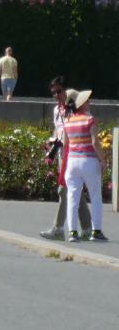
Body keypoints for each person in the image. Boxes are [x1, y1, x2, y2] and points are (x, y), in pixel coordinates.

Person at [41, 76, 93, 241]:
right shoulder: (57, 111)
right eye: (53, 93)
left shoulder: (74, 109)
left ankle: (58, 228)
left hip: (74, 154)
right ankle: (88, 228)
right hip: (62, 154)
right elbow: (58, 130)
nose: (56, 96)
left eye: (59, 92)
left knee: (63, 190)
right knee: (74, 190)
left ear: (66, 91)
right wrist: (51, 144)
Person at [60, 89, 106, 243]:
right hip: (89, 160)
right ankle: (96, 231)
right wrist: (103, 160)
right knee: (95, 196)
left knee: (72, 197)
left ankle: (72, 232)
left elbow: (66, 143)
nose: (89, 102)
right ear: (82, 104)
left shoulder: (68, 121)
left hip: (72, 161)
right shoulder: (90, 120)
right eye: (87, 101)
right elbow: (94, 142)